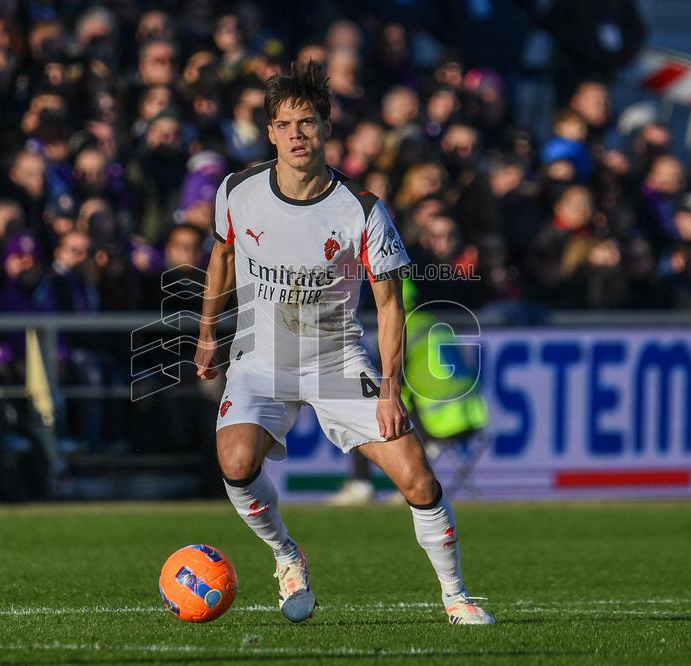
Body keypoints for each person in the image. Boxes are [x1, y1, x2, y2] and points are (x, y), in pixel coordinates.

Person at [194, 62, 494, 626]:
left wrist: (388, 390)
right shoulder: (237, 191)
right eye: (284, 125)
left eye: (307, 122)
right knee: (235, 462)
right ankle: (287, 554)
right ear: (270, 133)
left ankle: (456, 597)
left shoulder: (362, 210)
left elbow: (388, 306)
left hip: (336, 361)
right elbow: (222, 256)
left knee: (417, 477)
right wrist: (208, 331)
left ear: (327, 127)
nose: (296, 135)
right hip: (261, 359)